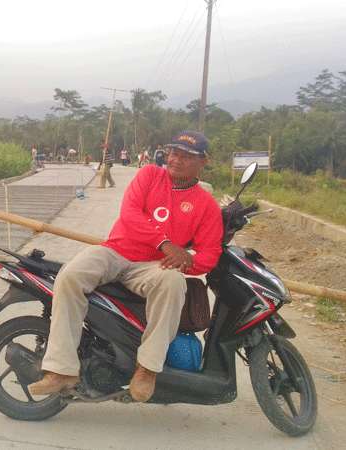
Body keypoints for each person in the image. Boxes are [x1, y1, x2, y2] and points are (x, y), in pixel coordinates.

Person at [28, 130, 223, 402]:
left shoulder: (206, 206)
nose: (176, 160)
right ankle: (61, 370)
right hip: (116, 251)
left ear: (203, 162)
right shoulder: (149, 176)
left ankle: (147, 369)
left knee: (174, 282)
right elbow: (130, 213)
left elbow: (210, 253)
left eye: (186, 156)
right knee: (70, 275)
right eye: (174, 153)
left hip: (152, 267)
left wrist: (187, 261)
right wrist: (166, 243)